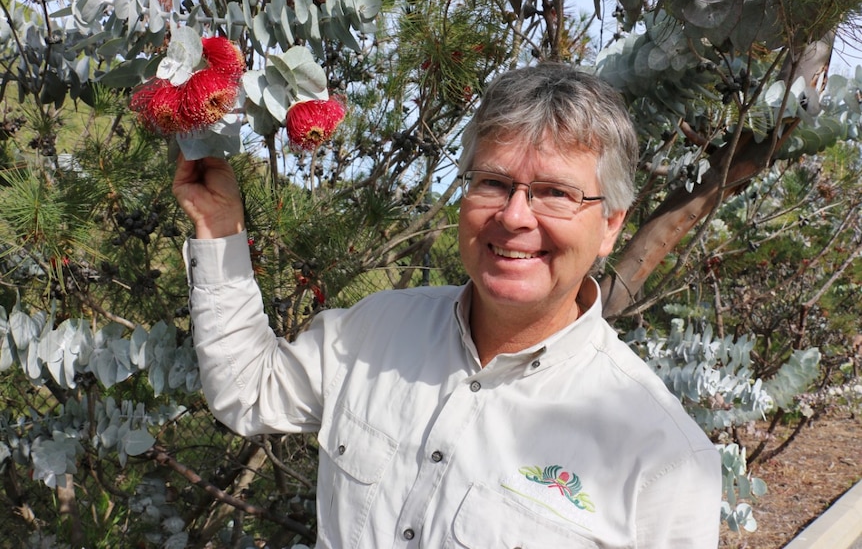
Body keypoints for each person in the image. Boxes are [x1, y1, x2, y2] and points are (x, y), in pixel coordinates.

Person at [174, 63, 722, 548]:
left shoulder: (664, 461)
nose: (514, 217)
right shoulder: (376, 331)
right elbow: (247, 390)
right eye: (493, 182)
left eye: (556, 192)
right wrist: (220, 228)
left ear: (610, 225)